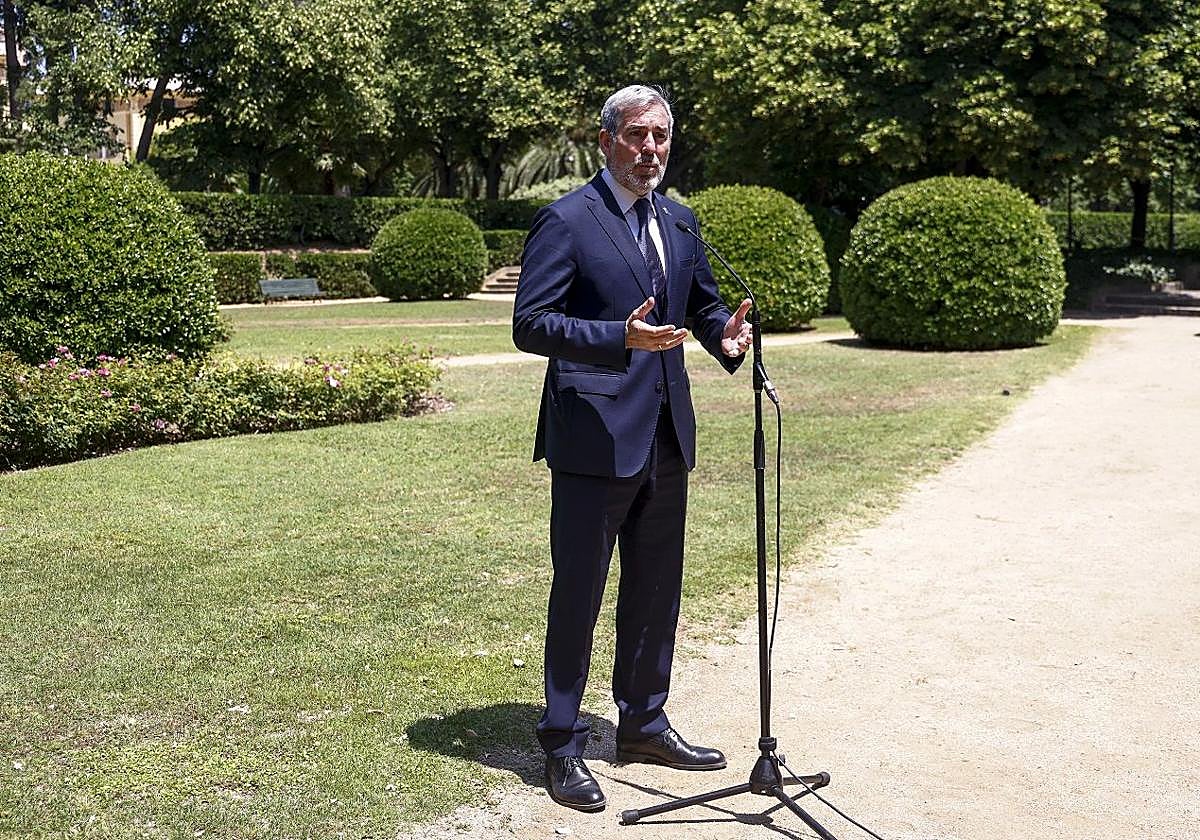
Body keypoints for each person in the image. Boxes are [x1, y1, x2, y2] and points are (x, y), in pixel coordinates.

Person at [512, 84, 753, 813]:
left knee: (655, 589)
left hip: (666, 434)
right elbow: (532, 324)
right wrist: (616, 335)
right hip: (591, 438)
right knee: (579, 593)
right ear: (607, 140)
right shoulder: (568, 220)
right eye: (638, 136)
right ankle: (560, 740)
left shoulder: (680, 221)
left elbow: (702, 304)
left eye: (661, 137)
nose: (651, 150)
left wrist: (726, 337)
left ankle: (644, 723)